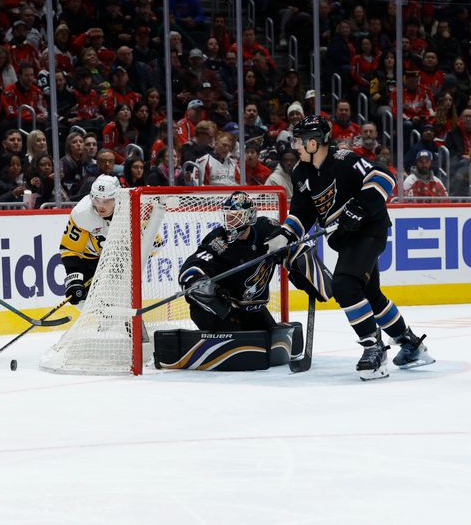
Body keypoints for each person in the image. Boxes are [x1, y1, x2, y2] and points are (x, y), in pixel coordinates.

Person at [265, 115, 434, 380]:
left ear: (314, 142)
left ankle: (374, 348)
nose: (295, 145)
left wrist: (360, 207)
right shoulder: (301, 173)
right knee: (371, 294)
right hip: (347, 238)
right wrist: (285, 235)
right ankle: (411, 344)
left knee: (344, 285)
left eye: (299, 140)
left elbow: (384, 177)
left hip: (370, 230)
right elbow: (302, 213)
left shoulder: (343, 160)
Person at [178, 192, 281, 333]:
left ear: (249, 216)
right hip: (224, 310)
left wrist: (296, 259)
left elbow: (292, 241)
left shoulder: (267, 229)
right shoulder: (218, 241)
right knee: (239, 343)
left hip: (252, 309)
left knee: (275, 342)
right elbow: (190, 269)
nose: (229, 222)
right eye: (228, 217)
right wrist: (206, 288)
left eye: (235, 217)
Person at [60, 174, 121, 305]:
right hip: (89, 259)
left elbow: (153, 244)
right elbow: (70, 249)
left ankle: (128, 323)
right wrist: (74, 279)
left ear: (117, 198)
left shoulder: (130, 210)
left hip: (118, 260)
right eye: (97, 200)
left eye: (106, 201)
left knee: (119, 300)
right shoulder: (83, 213)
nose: (100, 206)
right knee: (82, 301)